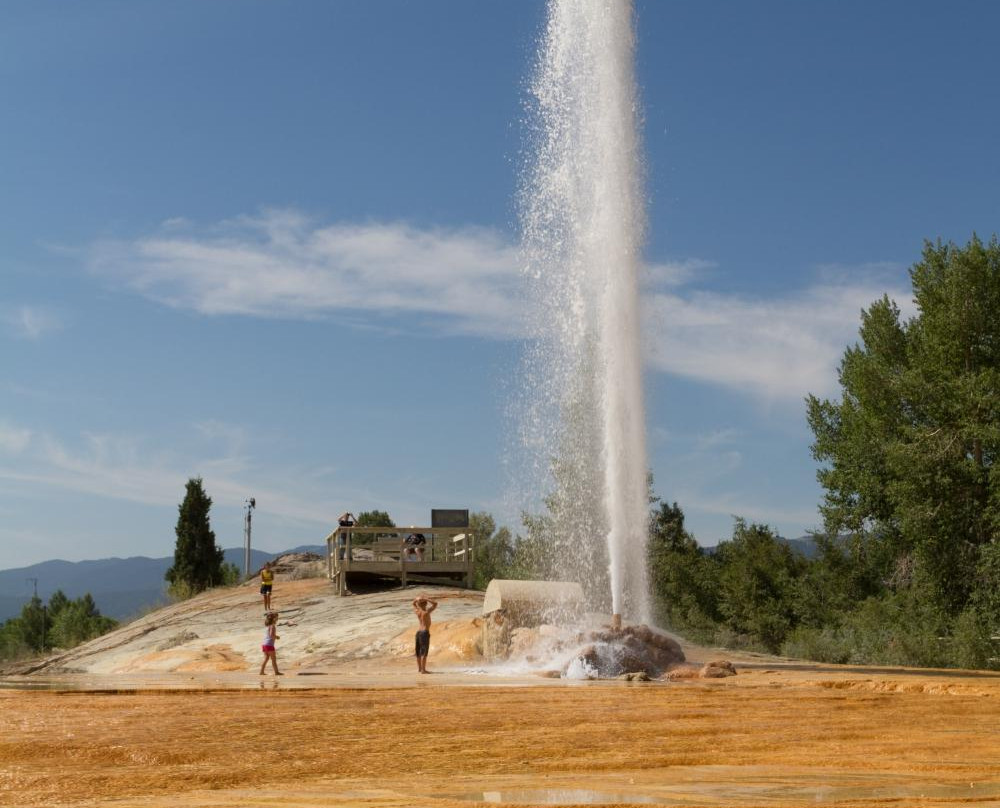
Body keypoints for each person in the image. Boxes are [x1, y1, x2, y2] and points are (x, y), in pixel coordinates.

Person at [412, 596, 437, 674]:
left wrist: (416, 599)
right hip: (424, 632)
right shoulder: (426, 612)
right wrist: (426, 598)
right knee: (424, 652)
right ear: (426, 604)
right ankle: (423, 670)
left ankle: (420, 669)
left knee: (418, 652)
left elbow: (413, 604)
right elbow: (435, 603)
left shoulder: (418, 612)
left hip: (418, 632)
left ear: (419, 605)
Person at [259, 611, 282, 676]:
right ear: (274, 618)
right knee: (273, 659)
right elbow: (271, 635)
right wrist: (276, 637)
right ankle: (276, 672)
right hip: (269, 645)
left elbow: (269, 634)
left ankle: (261, 672)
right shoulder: (272, 626)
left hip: (264, 644)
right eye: (277, 617)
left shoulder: (268, 626)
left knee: (266, 659)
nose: (277, 618)